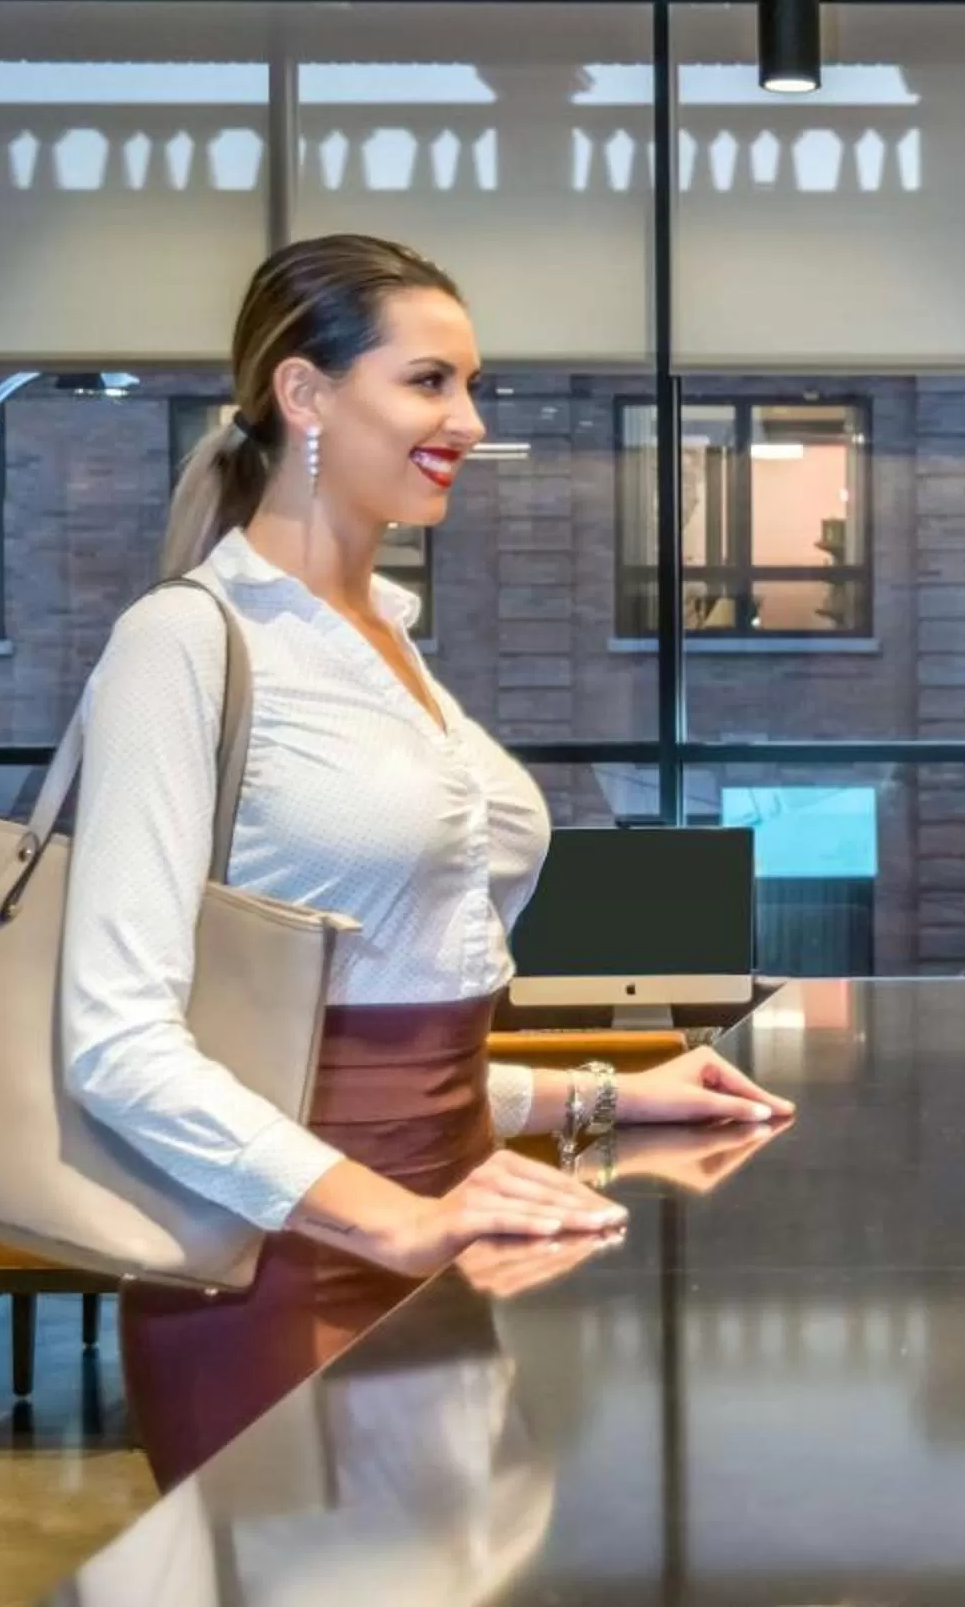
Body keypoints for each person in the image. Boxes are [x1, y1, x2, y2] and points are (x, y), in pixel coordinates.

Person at [63, 233, 794, 1488]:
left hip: (460, 1234)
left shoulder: (392, 643)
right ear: (304, 393)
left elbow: (376, 1046)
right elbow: (117, 1044)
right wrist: (398, 1216)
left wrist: (600, 1096)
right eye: (429, 381)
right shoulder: (183, 642)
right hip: (276, 1263)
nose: (467, 417)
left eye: (470, 384)